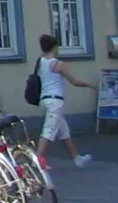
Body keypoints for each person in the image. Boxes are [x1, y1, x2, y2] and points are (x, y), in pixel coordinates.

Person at [36, 33, 94, 168]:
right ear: (54, 47)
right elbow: (74, 81)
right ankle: (38, 160)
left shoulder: (40, 62)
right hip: (55, 101)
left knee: (64, 131)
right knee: (48, 131)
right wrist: (90, 85)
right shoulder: (58, 64)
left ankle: (77, 157)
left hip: (44, 100)